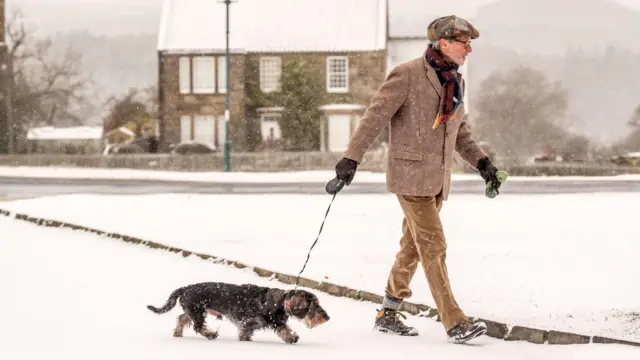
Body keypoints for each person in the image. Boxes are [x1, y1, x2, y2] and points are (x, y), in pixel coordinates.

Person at [331, 15, 503, 344]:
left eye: (470, 44)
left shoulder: (455, 81)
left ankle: (388, 313)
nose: (469, 50)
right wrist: (351, 157)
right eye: (464, 43)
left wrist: (483, 163)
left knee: (412, 249)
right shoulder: (408, 74)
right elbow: (375, 116)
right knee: (434, 246)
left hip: (437, 180)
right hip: (410, 178)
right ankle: (455, 321)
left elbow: (460, 131)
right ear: (443, 43)